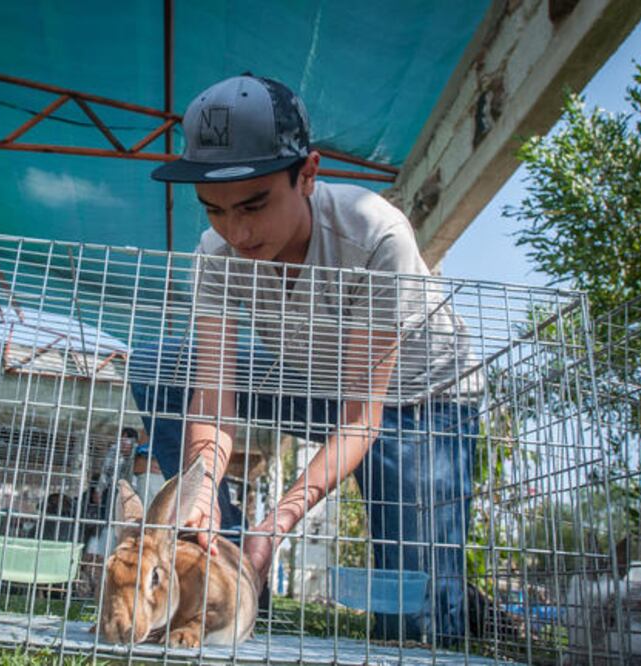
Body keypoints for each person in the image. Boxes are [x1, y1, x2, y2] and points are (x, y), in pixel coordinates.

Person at [129, 75, 481, 644]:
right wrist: (199, 490)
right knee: (155, 365)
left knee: (418, 626)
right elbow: (213, 396)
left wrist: (281, 521)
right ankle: (230, 557)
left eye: (255, 204)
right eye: (214, 210)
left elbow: (363, 416)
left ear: (308, 173)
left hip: (416, 402)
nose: (237, 232)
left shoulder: (375, 235)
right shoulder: (216, 254)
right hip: (312, 377)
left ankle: (459, 591)